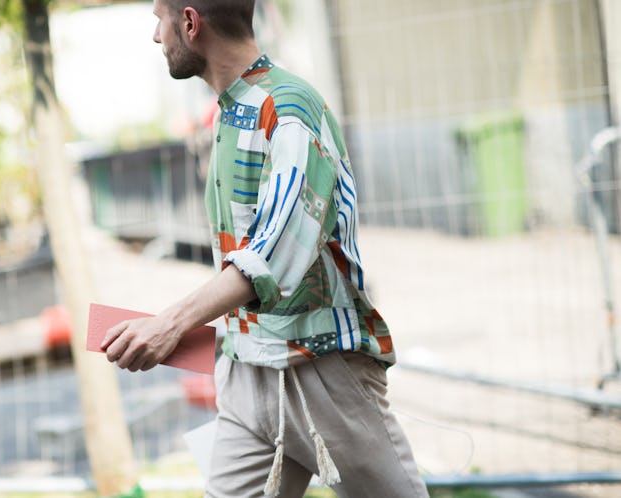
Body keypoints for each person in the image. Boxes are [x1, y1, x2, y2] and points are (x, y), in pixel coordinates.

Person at [101, 1, 430, 496]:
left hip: (320, 374)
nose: (155, 36)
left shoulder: (289, 111)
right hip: (246, 374)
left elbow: (270, 258)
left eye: (159, 19)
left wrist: (169, 324)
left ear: (190, 24)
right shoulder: (232, 110)